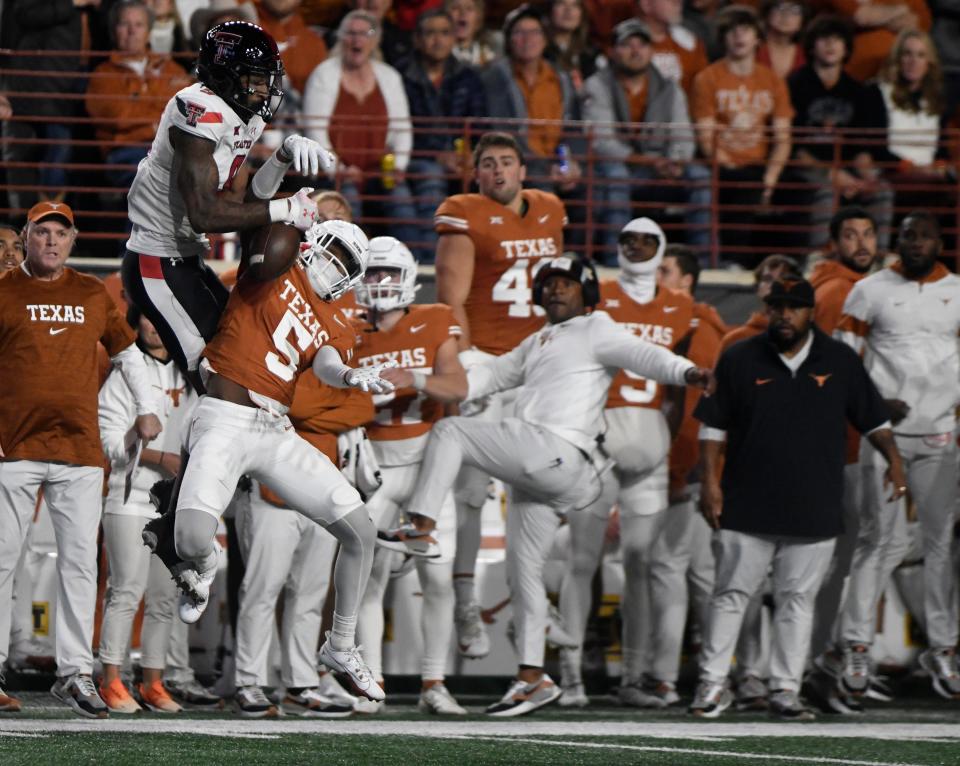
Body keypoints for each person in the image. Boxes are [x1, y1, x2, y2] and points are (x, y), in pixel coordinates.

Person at [378, 252, 713, 716]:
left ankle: (420, 525)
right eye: (549, 282)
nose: (555, 288)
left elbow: (644, 354)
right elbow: (479, 382)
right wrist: (416, 377)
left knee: (450, 432)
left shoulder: (598, 328)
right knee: (524, 572)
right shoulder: (537, 341)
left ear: (588, 290)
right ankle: (532, 677)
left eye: (566, 282)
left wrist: (687, 372)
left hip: (555, 450)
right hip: (542, 467)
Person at [169, 219, 390, 705]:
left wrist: (350, 374)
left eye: (348, 264)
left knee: (361, 532)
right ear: (313, 244)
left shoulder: (337, 317)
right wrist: (285, 179)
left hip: (276, 430)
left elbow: (327, 360)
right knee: (190, 540)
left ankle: (341, 644)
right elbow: (264, 229)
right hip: (226, 415)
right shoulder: (272, 268)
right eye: (334, 251)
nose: (336, 266)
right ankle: (204, 567)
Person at [691, 277, 906, 720]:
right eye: (778, 306)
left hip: (814, 502)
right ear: (766, 309)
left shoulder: (840, 359)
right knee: (731, 594)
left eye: (795, 307)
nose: (785, 314)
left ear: (811, 312)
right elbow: (712, 425)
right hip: (746, 499)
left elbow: (872, 418)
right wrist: (710, 483)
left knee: (797, 600)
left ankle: (786, 690)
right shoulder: (738, 356)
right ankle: (711, 686)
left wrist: (895, 461)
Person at [0, 201, 163, 718]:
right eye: (42, 232)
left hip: (79, 449)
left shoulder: (93, 293)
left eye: (60, 234)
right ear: (26, 236)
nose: (51, 241)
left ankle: (74, 674)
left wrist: (149, 407)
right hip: (14, 447)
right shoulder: (2, 289)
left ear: (73, 241)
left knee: (79, 566)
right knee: (1, 561)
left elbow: (129, 353)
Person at [122, 20, 329, 388]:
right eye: (255, 77)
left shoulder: (240, 113)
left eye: (268, 78)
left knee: (235, 353)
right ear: (226, 74)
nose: (265, 88)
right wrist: (287, 211)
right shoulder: (198, 109)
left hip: (185, 258)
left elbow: (247, 201)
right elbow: (204, 214)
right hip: (155, 260)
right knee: (213, 379)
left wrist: (281, 157)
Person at [432, 131, 566, 660]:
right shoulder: (464, 214)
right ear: (476, 175)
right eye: (488, 164)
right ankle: (467, 600)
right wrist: (465, 364)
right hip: (487, 361)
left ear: (523, 170)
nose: (498, 172)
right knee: (471, 492)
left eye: (507, 162)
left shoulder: (552, 210)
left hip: (536, 361)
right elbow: (450, 298)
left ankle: (530, 600)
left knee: (542, 486)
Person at [557, 218, 698, 709]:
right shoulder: (599, 298)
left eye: (647, 241)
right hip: (599, 438)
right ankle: (570, 673)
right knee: (581, 561)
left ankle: (634, 676)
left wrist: (674, 446)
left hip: (650, 443)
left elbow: (679, 389)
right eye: (627, 240)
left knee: (640, 565)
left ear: (662, 249)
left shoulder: (683, 307)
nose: (636, 248)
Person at [831, 212, 960, 702]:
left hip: (941, 435)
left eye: (923, 235)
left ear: (939, 241)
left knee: (940, 543)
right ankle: (857, 644)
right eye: (907, 235)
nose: (915, 243)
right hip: (883, 432)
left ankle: (944, 647)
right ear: (898, 241)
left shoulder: (958, 291)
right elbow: (845, 357)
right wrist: (870, 404)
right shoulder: (870, 290)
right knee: (877, 539)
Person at [353, 236, 469, 715]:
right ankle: (372, 683)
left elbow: (457, 385)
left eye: (387, 274)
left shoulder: (435, 318)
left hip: (426, 469)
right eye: (372, 273)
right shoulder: (346, 328)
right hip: (375, 468)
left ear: (407, 281)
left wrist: (414, 379)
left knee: (437, 579)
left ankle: (433, 683)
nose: (379, 283)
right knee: (367, 579)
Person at [97, 307, 196, 715]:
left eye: (161, 319)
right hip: (130, 497)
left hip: (174, 504)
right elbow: (109, 448)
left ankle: (153, 681)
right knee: (126, 591)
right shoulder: (123, 377)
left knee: (164, 596)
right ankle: (110, 681)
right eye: (147, 319)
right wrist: (156, 455)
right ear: (136, 323)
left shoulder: (190, 378)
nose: (154, 327)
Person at [644, 244, 729, 708]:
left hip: (689, 463)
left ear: (688, 281)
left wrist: (681, 469)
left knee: (669, 568)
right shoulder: (699, 323)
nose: (657, 277)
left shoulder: (693, 325)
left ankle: (662, 677)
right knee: (702, 574)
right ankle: (720, 673)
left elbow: (693, 408)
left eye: (665, 270)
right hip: (697, 464)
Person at [805, 207, 881, 714]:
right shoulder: (841, 292)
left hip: (848, 443)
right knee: (839, 562)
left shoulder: (852, 288)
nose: (861, 242)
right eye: (850, 235)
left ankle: (822, 664)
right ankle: (824, 662)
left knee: (844, 559)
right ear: (834, 243)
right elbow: (831, 373)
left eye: (867, 233)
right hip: (844, 445)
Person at [582, 18, 710, 259]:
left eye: (642, 45)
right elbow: (601, 141)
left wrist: (675, 162)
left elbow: (683, 135)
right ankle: (613, 259)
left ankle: (702, 261)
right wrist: (648, 161)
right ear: (612, 51)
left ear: (651, 51)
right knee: (614, 176)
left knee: (700, 177)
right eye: (627, 45)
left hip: (662, 165)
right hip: (622, 167)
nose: (635, 51)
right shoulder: (597, 85)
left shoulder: (670, 89)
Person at [690, 4, 794, 268]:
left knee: (799, 188)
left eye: (745, 30)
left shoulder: (772, 80)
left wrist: (769, 179)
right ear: (723, 37)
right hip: (722, 165)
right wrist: (731, 165)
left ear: (757, 37)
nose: (739, 37)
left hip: (761, 167)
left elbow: (783, 138)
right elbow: (706, 139)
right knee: (742, 184)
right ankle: (733, 263)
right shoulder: (707, 78)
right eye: (732, 31)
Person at [302, 10, 417, 246]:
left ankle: (417, 260)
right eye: (351, 33)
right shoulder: (323, 74)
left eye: (365, 34)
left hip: (380, 170)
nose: (357, 40)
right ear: (341, 38)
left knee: (401, 200)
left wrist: (397, 166)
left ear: (375, 40)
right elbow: (315, 132)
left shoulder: (389, 76)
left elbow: (403, 128)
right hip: (338, 173)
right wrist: (339, 168)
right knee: (347, 200)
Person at [480, 4, 586, 242]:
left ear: (545, 39)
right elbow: (502, 131)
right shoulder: (494, 77)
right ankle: (543, 261)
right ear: (509, 40)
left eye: (535, 32)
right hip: (519, 163)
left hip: (556, 162)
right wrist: (543, 166)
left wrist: (570, 164)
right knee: (542, 192)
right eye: (520, 33)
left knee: (597, 188)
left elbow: (574, 127)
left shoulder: (561, 78)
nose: (528, 40)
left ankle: (580, 260)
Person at [787, 15, 893, 251]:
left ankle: (877, 259)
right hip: (805, 168)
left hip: (847, 170)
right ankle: (819, 260)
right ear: (812, 45)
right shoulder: (794, 85)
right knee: (825, 191)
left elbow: (862, 148)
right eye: (824, 39)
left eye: (837, 40)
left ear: (846, 47)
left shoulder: (857, 90)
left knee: (881, 191)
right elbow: (795, 149)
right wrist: (832, 175)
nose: (830, 45)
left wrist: (865, 178)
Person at [400, 9, 486, 261]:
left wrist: (471, 155)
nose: (438, 40)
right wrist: (438, 155)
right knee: (431, 176)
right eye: (430, 33)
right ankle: (428, 261)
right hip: (417, 158)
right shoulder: (401, 75)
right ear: (417, 39)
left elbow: (480, 125)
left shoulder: (468, 77)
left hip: (462, 159)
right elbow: (402, 130)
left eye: (445, 33)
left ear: (453, 39)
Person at [85, 0, 191, 190]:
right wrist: (160, 119)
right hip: (126, 153)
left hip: (173, 150)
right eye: (125, 24)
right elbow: (119, 118)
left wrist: (140, 106)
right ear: (114, 31)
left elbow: (189, 110)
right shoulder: (102, 75)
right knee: (150, 184)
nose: (132, 31)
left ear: (148, 31)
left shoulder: (171, 69)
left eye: (139, 25)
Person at [823, 0, 930, 82]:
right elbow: (862, 17)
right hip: (849, 75)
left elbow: (920, 21)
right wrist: (902, 10)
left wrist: (881, 16)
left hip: (897, 75)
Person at [719, 253, 802, 352]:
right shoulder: (735, 340)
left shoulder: (810, 341)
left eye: (783, 279)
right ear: (758, 288)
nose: (774, 285)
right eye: (768, 279)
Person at [634, 0, 709, 97]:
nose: (678, 2)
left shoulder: (690, 44)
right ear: (646, 4)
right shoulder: (621, 45)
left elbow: (701, 94)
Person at [543, 0, 601, 92]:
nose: (568, 10)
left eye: (575, 5)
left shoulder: (592, 54)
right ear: (550, 10)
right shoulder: (538, 52)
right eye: (561, 3)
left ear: (582, 14)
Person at [756, 0, 806, 79]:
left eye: (795, 9)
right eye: (780, 7)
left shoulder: (808, 53)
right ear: (767, 13)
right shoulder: (752, 48)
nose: (786, 15)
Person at [445, 0, 501, 67]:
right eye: (456, 8)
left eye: (469, 8)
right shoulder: (438, 56)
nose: (463, 13)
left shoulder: (490, 57)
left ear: (478, 18)